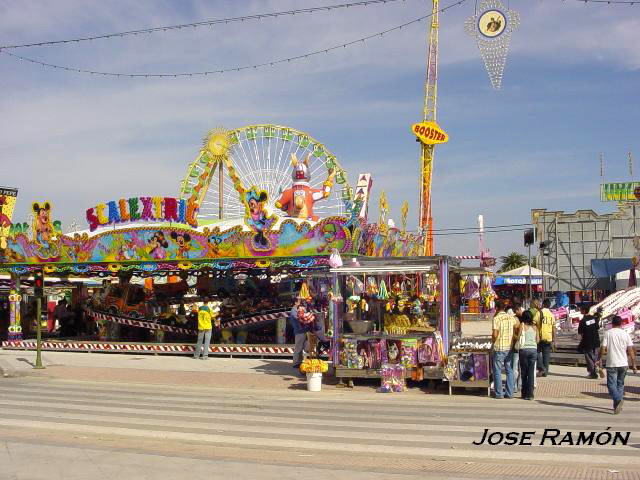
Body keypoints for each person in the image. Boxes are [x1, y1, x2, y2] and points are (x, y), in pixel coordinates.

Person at [599, 315, 637, 414]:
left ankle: (618, 400)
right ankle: (617, 405)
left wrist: (599, 358)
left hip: (612, 363)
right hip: (623, 363)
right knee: (620, 384)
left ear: (612, 323)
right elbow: (631, 350)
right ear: (621, 323)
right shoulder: (625, 334)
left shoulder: (608, 333)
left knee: (611, 385)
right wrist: (634, 365)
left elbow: (603, 348)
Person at [491, 298, 519, 399]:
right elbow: (517, 325)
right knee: (509, 370)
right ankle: (509, 393)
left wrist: (493, 341)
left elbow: (495, 334)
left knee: (497, 370)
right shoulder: (510, 317)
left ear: (496, 308)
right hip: (509, 347)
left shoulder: (496, 319)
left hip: (499, 347)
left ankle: (499, 393)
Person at [517, 310, 539, 400]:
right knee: (531, 372)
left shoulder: (522, 326)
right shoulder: (535, 327)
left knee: (524, 372)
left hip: (524, 350)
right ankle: (530, 394)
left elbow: (519, 337)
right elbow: (538, 340)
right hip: (533, 351)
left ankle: (524, 393)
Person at [578, 306, 601, 379]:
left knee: (589, 357)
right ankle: (598, 366)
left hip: (587, 341)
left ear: (584, 311)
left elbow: (581, 332)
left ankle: (593, 373)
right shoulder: (595, 319)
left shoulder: (583, 321)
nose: (580, 310)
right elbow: (597, 328)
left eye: (581, 309)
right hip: (596, 340)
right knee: (596, 355)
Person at [290, 299, 310, 369]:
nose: (300, 302)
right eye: (298, 301)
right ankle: (295, 363)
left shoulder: (297, 310)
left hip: (303, 331)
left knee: (302, 347)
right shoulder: (293, 311)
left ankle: (300, 362)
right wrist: (305, 316)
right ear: (295, 302)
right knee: (298, 348)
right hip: (299, 331)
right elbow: (298, 318)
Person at [537, 299, 555, 377]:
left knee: (536, 353)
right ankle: (545, 372)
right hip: (549, 337)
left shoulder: (539, 313)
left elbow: (534, 324)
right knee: (546, 355)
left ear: (543, 304)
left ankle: (542, 368)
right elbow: (553, 328)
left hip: (540, 336)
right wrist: (554, 339)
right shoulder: (551, 315)